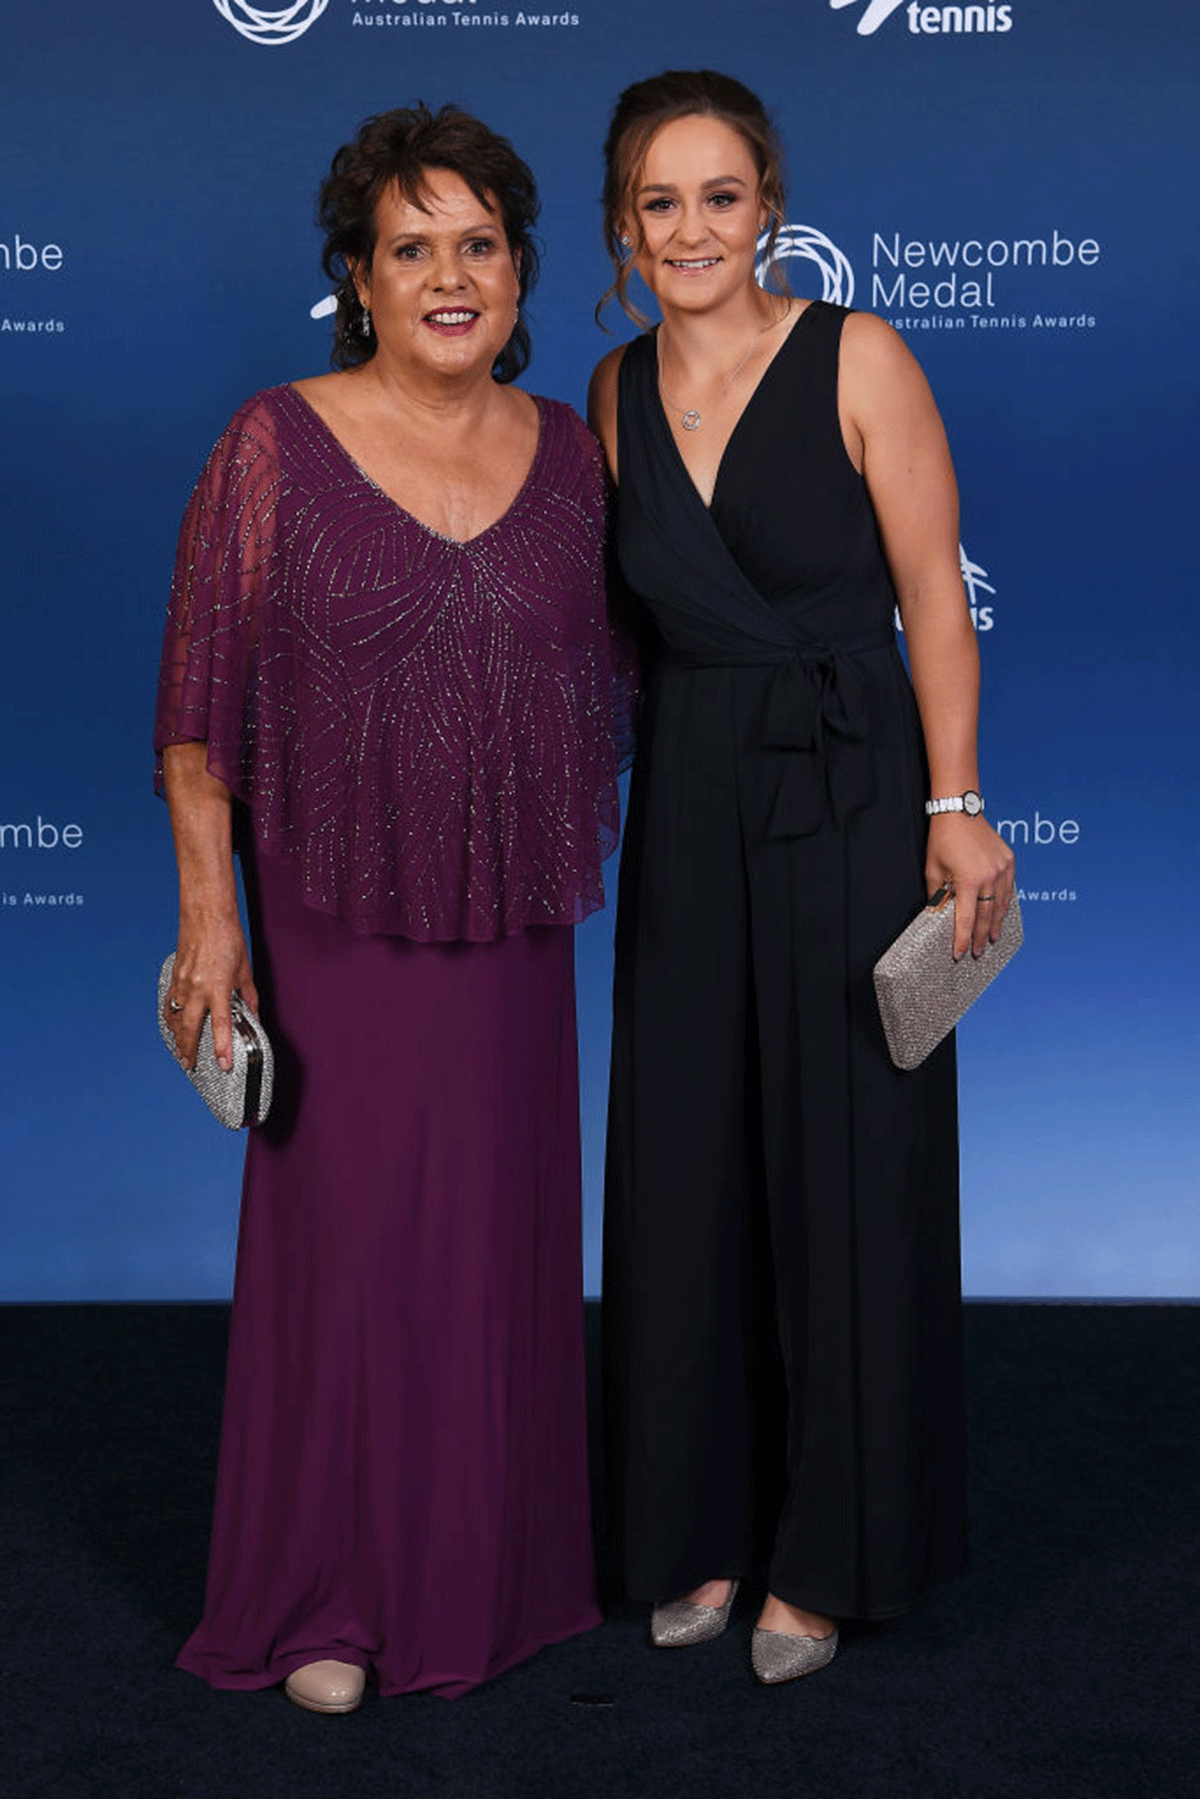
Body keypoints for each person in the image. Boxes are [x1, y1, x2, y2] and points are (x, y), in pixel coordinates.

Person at [155, 103, 624, 1712]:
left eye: (477, 244)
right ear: (358, 278)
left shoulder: (576, 454)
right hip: (337, 910)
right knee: (350, 1247)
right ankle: (331, 1598)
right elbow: (199, 714)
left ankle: (487, 1575)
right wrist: (213, 925)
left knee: (497, 1239)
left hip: (513, 915)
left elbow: (635, 670)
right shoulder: (270, 442)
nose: (447, 275)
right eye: (410, 246)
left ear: (517, 269)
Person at [589, 70, 1016, 1685]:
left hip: (851, 782)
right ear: (625, 224)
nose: (691, 227)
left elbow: (932, 589)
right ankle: (693, 1523)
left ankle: (832, 1551)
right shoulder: (611, 393)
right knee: (686, 1155)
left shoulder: (860, 353)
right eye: (659, 200)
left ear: (769, 202)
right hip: (692, 789)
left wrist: (957, 798)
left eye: (719, 194)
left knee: (848, 1157)